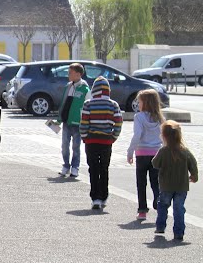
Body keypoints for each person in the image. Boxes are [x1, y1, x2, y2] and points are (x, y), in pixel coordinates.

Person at [79, 76, 123, 211]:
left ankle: (95, 198)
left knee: (93, 169)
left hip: (91, 141)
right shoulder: (113, 105)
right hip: (106, 142)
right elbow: (118, 123)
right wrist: (113, 137)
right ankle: (104, 196)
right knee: (104, 169)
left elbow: (84, 123)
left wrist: (85, 137)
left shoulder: (88, 104)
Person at [151, 121, 198, 240]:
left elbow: (155, 163)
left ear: (164, 136)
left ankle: (160, 226)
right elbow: (193, 164)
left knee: (163, 205)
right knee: (179, 208)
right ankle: (179, 232)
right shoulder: (185, 151)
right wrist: (194, 175)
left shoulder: (163, 151)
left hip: (166, 185)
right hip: (181, 186)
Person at [126, 89, 164, 219]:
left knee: (141, 182)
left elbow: (137, 135)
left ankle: (142, 210)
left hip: (142, 154)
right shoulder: (160, 118)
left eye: (139, 101)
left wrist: (130, 151)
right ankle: (158, 204)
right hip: (157, 154)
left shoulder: (139, 117)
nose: (138, 104)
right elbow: (164, 137)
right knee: (156, 182)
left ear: (145, 103)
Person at [53, 63, 89, 178]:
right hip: (66, 121)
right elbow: (64, 103)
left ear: (78, 74)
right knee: (64, 145)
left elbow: (88, 106)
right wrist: (59, 119)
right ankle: (66, 165)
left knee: (76, 146)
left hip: (78, 123)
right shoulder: (68, 86)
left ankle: (75, 167)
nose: (68, 75)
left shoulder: (85, 89)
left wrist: (86, 121)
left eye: (70, 73)